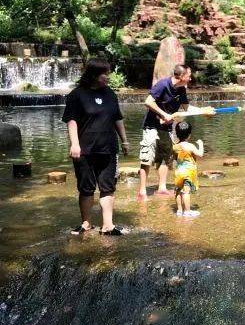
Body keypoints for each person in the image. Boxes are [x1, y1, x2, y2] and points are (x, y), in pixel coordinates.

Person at [62, 59, 129, 235]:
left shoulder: (110, 94)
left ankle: (108, 225)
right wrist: (74, 144)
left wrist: (124, 141)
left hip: (108, 148)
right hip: (84, 150)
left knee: (108, 187)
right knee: (86, 188)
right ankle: (86, 223)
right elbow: (72, 120)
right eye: (104, 74)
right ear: (93, 75)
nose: (108, 77)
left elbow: (117, 118)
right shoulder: (77, 95)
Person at [137, 65, 205, 201]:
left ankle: (162, 188)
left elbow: (186, 108)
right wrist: (163, 115)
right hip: (151, 127)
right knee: (147, 158)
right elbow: (148, 102)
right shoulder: (162, 85)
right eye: (189, 76)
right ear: (180, 76)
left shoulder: (181, 89)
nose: (190, 78)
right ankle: (142, 191)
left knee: (166, 157)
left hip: (166, 129)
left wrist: (203, 111)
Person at [172, 121, 203, 217]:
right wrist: (201, 144)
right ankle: (187, 211)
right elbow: (200, 154)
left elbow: (173, 158)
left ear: (177, 134)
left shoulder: (175, 147)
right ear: (189, 135)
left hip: (178, 172)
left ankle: (179, 211)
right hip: (188, 172)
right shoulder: (190, 146)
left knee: (178, 191)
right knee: (186, 191)